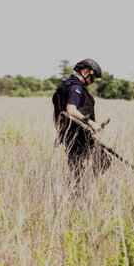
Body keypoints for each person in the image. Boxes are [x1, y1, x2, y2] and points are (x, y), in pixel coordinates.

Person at [52, 59, 111, 193]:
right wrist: (91, 123)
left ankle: (77, 192)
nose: (93, 81)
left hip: (69, 136)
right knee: (105, 161)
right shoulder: (75, 88)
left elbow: (61, 115)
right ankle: (83, 187)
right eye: (93, 77)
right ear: (85, 72)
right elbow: (70, 110)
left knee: (76, 171)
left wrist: (60, 135)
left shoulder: (65, 86)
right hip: (79, 137)